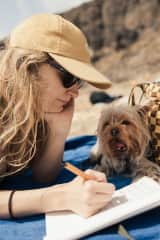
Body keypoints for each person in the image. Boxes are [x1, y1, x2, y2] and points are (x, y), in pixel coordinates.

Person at [0, 13, 115, 219]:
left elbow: (44, 177)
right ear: (28, 65)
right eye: (69, 77)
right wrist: (59, 198)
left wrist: (59, 128)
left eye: (79, 81)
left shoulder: (32, 110)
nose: (76, 92)